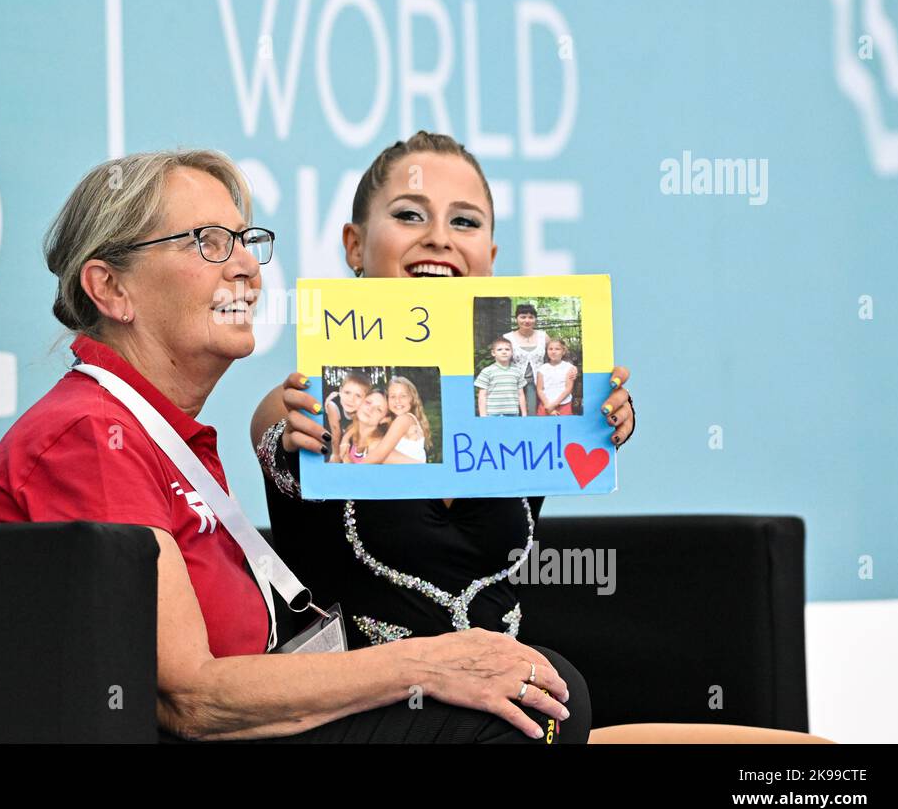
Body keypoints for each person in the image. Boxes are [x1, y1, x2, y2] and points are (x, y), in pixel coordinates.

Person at [0, 147, 587, 744]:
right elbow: (191, 700)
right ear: (110, 290)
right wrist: (431, 665)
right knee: (527, 704)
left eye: (246, 241)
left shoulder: (160, 434)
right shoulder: (90, 436)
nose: (246, 267)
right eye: (207, 242)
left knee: (545, 689)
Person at [251, 130, 831, 743]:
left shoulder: (518, 394)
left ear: (491, 256)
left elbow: (569, 447)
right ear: (353, 245)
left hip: (513, 715)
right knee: (562, 688)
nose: (439, 237)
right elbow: (281, 449)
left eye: (465, 221)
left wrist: (601, 421)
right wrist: (294, 439)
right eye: (409, 215)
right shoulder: (310, 400)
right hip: (378, 722)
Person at [504, 304, 549, 415]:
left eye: (531, 317)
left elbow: (556, 354)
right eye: (523, 317)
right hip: (513, 384)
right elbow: (501, 359)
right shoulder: (507, 338)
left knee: (534, 413)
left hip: (539, 385)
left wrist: (571, 368)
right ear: (516, 318)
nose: (527, 320)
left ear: (535, 319)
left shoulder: (543, 336)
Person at [474, 338, 526, 417]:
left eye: (507, 349)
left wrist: (524, 414)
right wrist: (483, 415)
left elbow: (521, 395)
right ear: (493, 353)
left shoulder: (517, 371)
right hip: (492, 414)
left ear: (512, 352)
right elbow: (482, 396)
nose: (504, 352)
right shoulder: (487, 371)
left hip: (512, 413)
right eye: (499, 349)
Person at [386, 375, 431, 463]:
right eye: (392, 396)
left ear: (412, 398)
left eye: (403, 396)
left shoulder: (404, 419)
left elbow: (380, 454)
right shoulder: (400, 421)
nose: (397, 400)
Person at [323, 371, 372, 450]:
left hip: (350, 438)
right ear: (341, 391)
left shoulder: (366, 408)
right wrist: (336, 455)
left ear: (365, 398)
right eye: (347, 392)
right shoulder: (333, 405)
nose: (351, 399)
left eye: (358, 395)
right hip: (331, 437)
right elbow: (336, 433)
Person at [536, 338, 578, 416]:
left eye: (557, 349)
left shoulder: (569, 368)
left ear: (563, 351)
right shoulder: (542, 369)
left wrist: (554, 405)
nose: (553, 351)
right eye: (550, 349)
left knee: (563, 427)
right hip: (545, 406)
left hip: (564, 405)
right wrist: (548, 406)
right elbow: (539, 389)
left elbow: (568, 388)